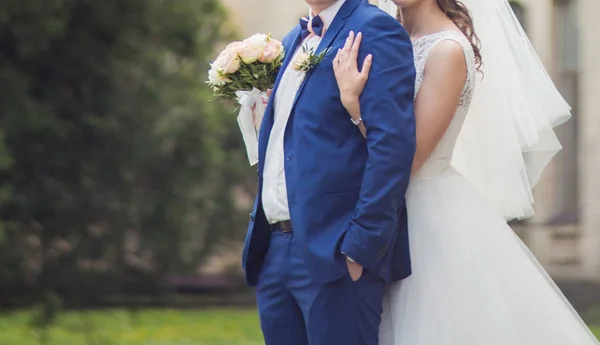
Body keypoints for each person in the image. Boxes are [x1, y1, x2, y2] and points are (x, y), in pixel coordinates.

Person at [333, 0, 600, 344]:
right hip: (373, 201)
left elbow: (410, 158)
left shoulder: (447, 50)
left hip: (423, 214)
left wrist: (353, 106)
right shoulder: (383, 37)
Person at [241, 0, 416, 344]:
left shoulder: (376, 30)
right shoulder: (293, 38)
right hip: (274, 250)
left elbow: (392, 147)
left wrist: (360, 247)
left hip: (335, 251)